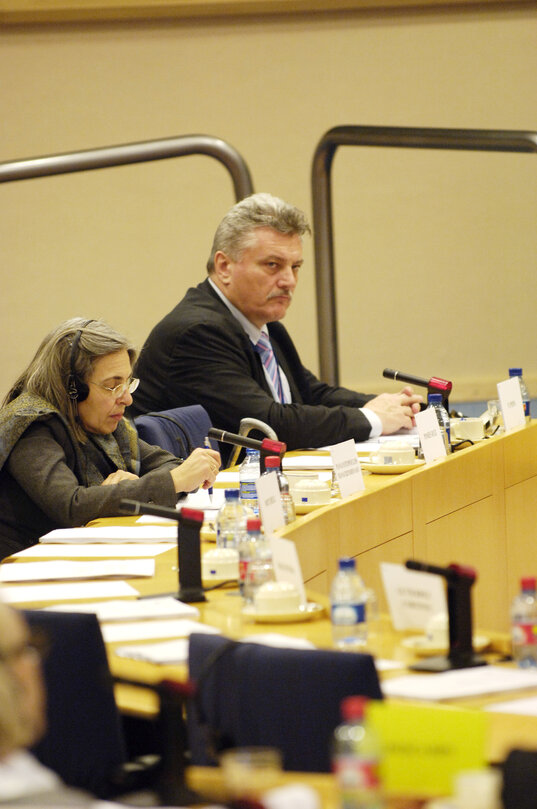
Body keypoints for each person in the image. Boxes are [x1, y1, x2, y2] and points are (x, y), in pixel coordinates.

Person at [130, 193, 422, 462]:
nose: (289, 281)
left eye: (295, 267)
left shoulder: (263, 324)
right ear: (224, 267)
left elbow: (311, 394)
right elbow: (268, 425)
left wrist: (390, 406)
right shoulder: (198, 332)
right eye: (273, 265)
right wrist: (372, 418)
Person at [0, 318, 221, 561]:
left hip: (83, 556)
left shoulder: (101, 420)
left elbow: (170, 465)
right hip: (27, 566)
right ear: (72, 388)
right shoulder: (32, 424)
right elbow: (71, 507)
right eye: (112, 386)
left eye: (127, 383)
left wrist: (130, 487)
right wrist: (168, 482)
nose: (127, 399)